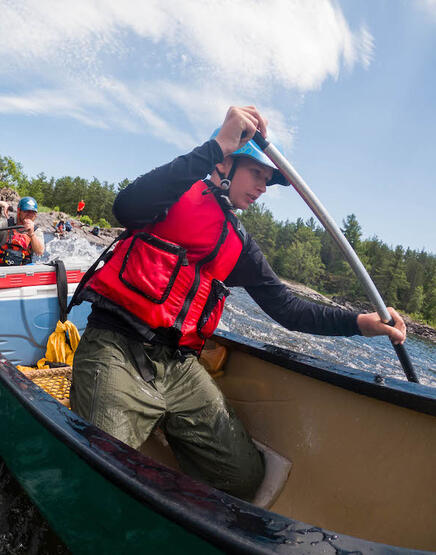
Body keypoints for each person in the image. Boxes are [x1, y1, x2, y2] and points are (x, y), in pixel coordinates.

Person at [69, 105, 407, 501]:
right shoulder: (174, 193)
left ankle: (160, 426)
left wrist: (360, 323)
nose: (263, 187)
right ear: (225, 161)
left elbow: (287, 308)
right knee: (101, 473)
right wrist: (216, 145)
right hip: (116, 346)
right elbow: (126, 206)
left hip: (178, 367)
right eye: (257, 174)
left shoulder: (238, 243)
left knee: (243, 480)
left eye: (268, 180)